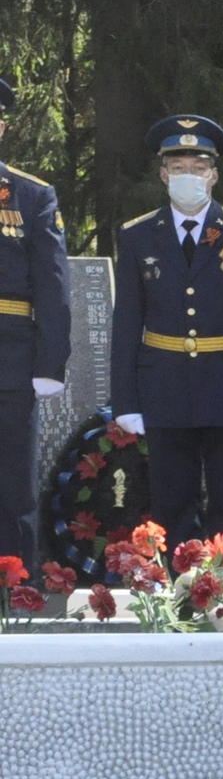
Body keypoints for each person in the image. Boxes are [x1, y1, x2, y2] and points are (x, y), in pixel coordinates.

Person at [108, 116, 223, 540]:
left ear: (215, 175)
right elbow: (127, 322)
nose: (190, 176)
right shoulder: (138, 235)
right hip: (164, 384)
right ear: (164, 174)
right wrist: (125, 401)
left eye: (199, 167)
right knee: (170, 498)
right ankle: (179, 586)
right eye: (180, 167)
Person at [0, 74, 71, 567]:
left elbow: (53, 284)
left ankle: (14, 592)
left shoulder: (30, 195)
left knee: (11, 486)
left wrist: (50, 363)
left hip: (9, 360)